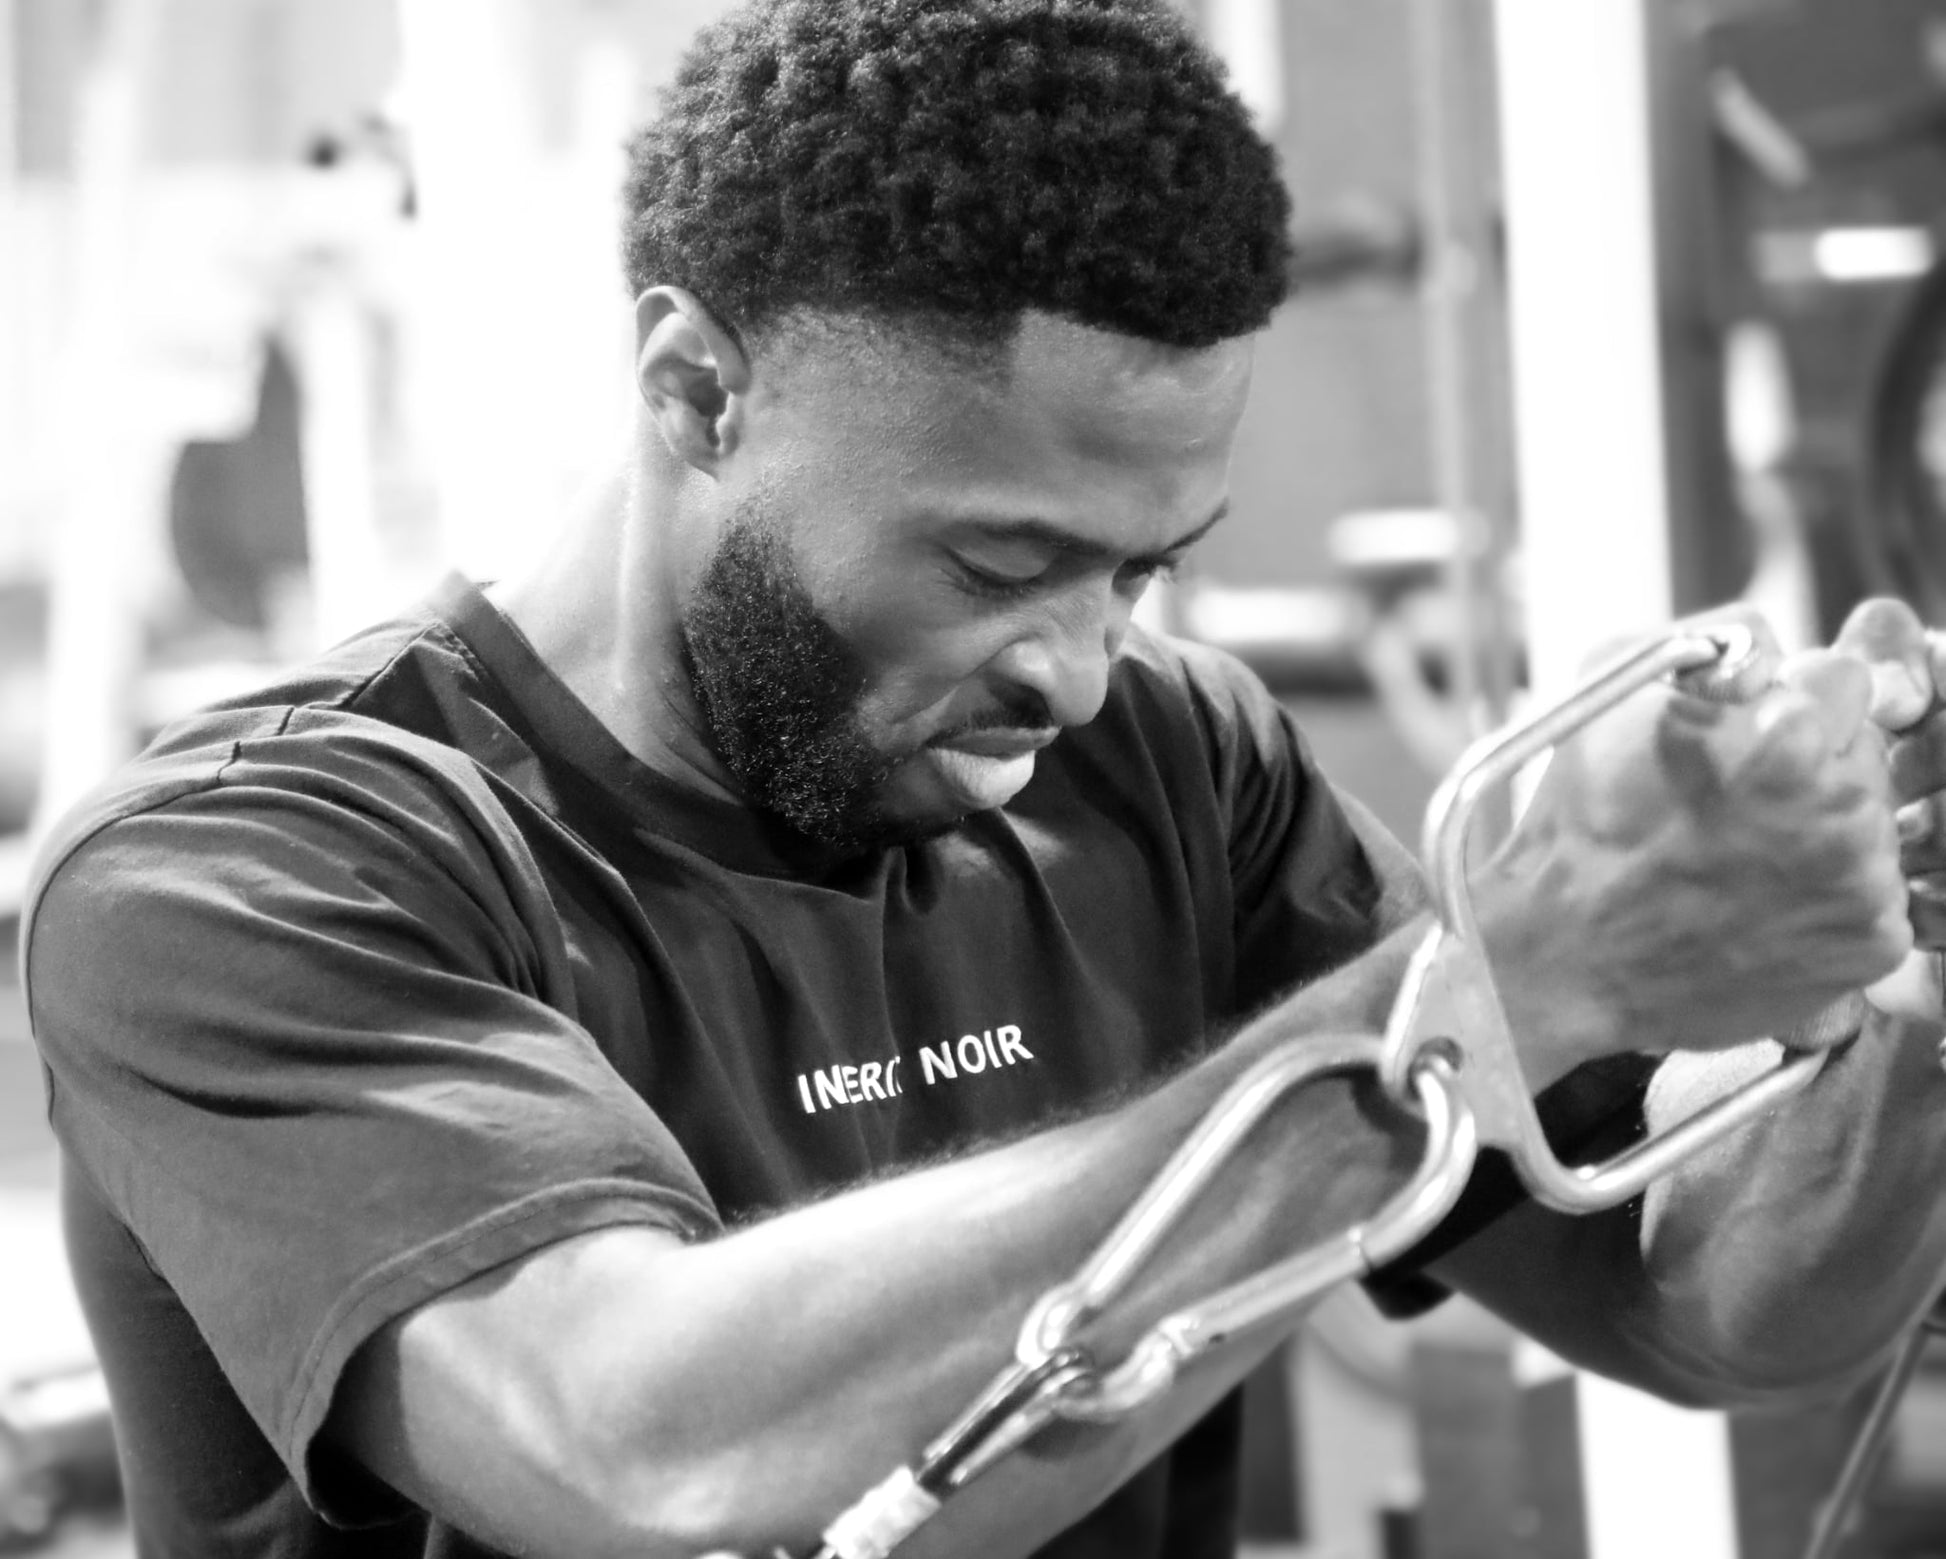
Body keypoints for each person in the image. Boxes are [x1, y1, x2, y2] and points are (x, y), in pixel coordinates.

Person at [20, 2, 1946, 1556]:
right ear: (696, 390)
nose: (1076, 668)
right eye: (998, 563)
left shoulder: (1173, 767)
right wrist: (1481, 997)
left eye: (1142, 571)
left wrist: (1912, 1009)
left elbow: (1689, 1308)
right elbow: (633, 1451)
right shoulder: (253, 873)